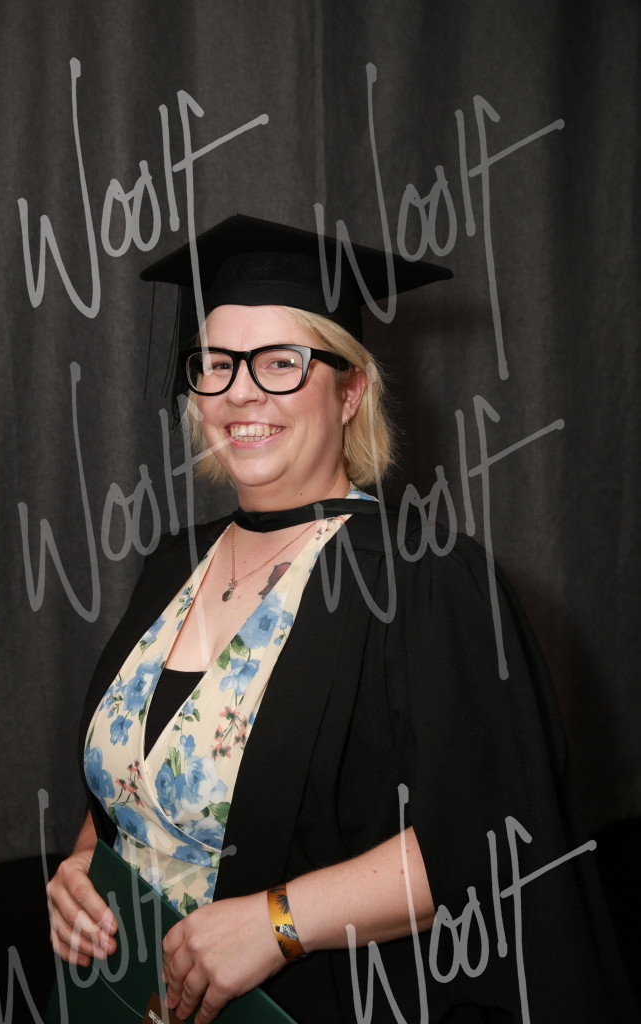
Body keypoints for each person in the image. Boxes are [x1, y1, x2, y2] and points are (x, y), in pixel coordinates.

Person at [48, 216, 638, 1024]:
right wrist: (82, 869)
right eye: (215, 363)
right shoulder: (171, 563)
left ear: (350, 389)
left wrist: (278, 923)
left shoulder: (423, 577)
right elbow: (133, 778)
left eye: (281, 362)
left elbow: (496, 835)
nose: (241, 392)